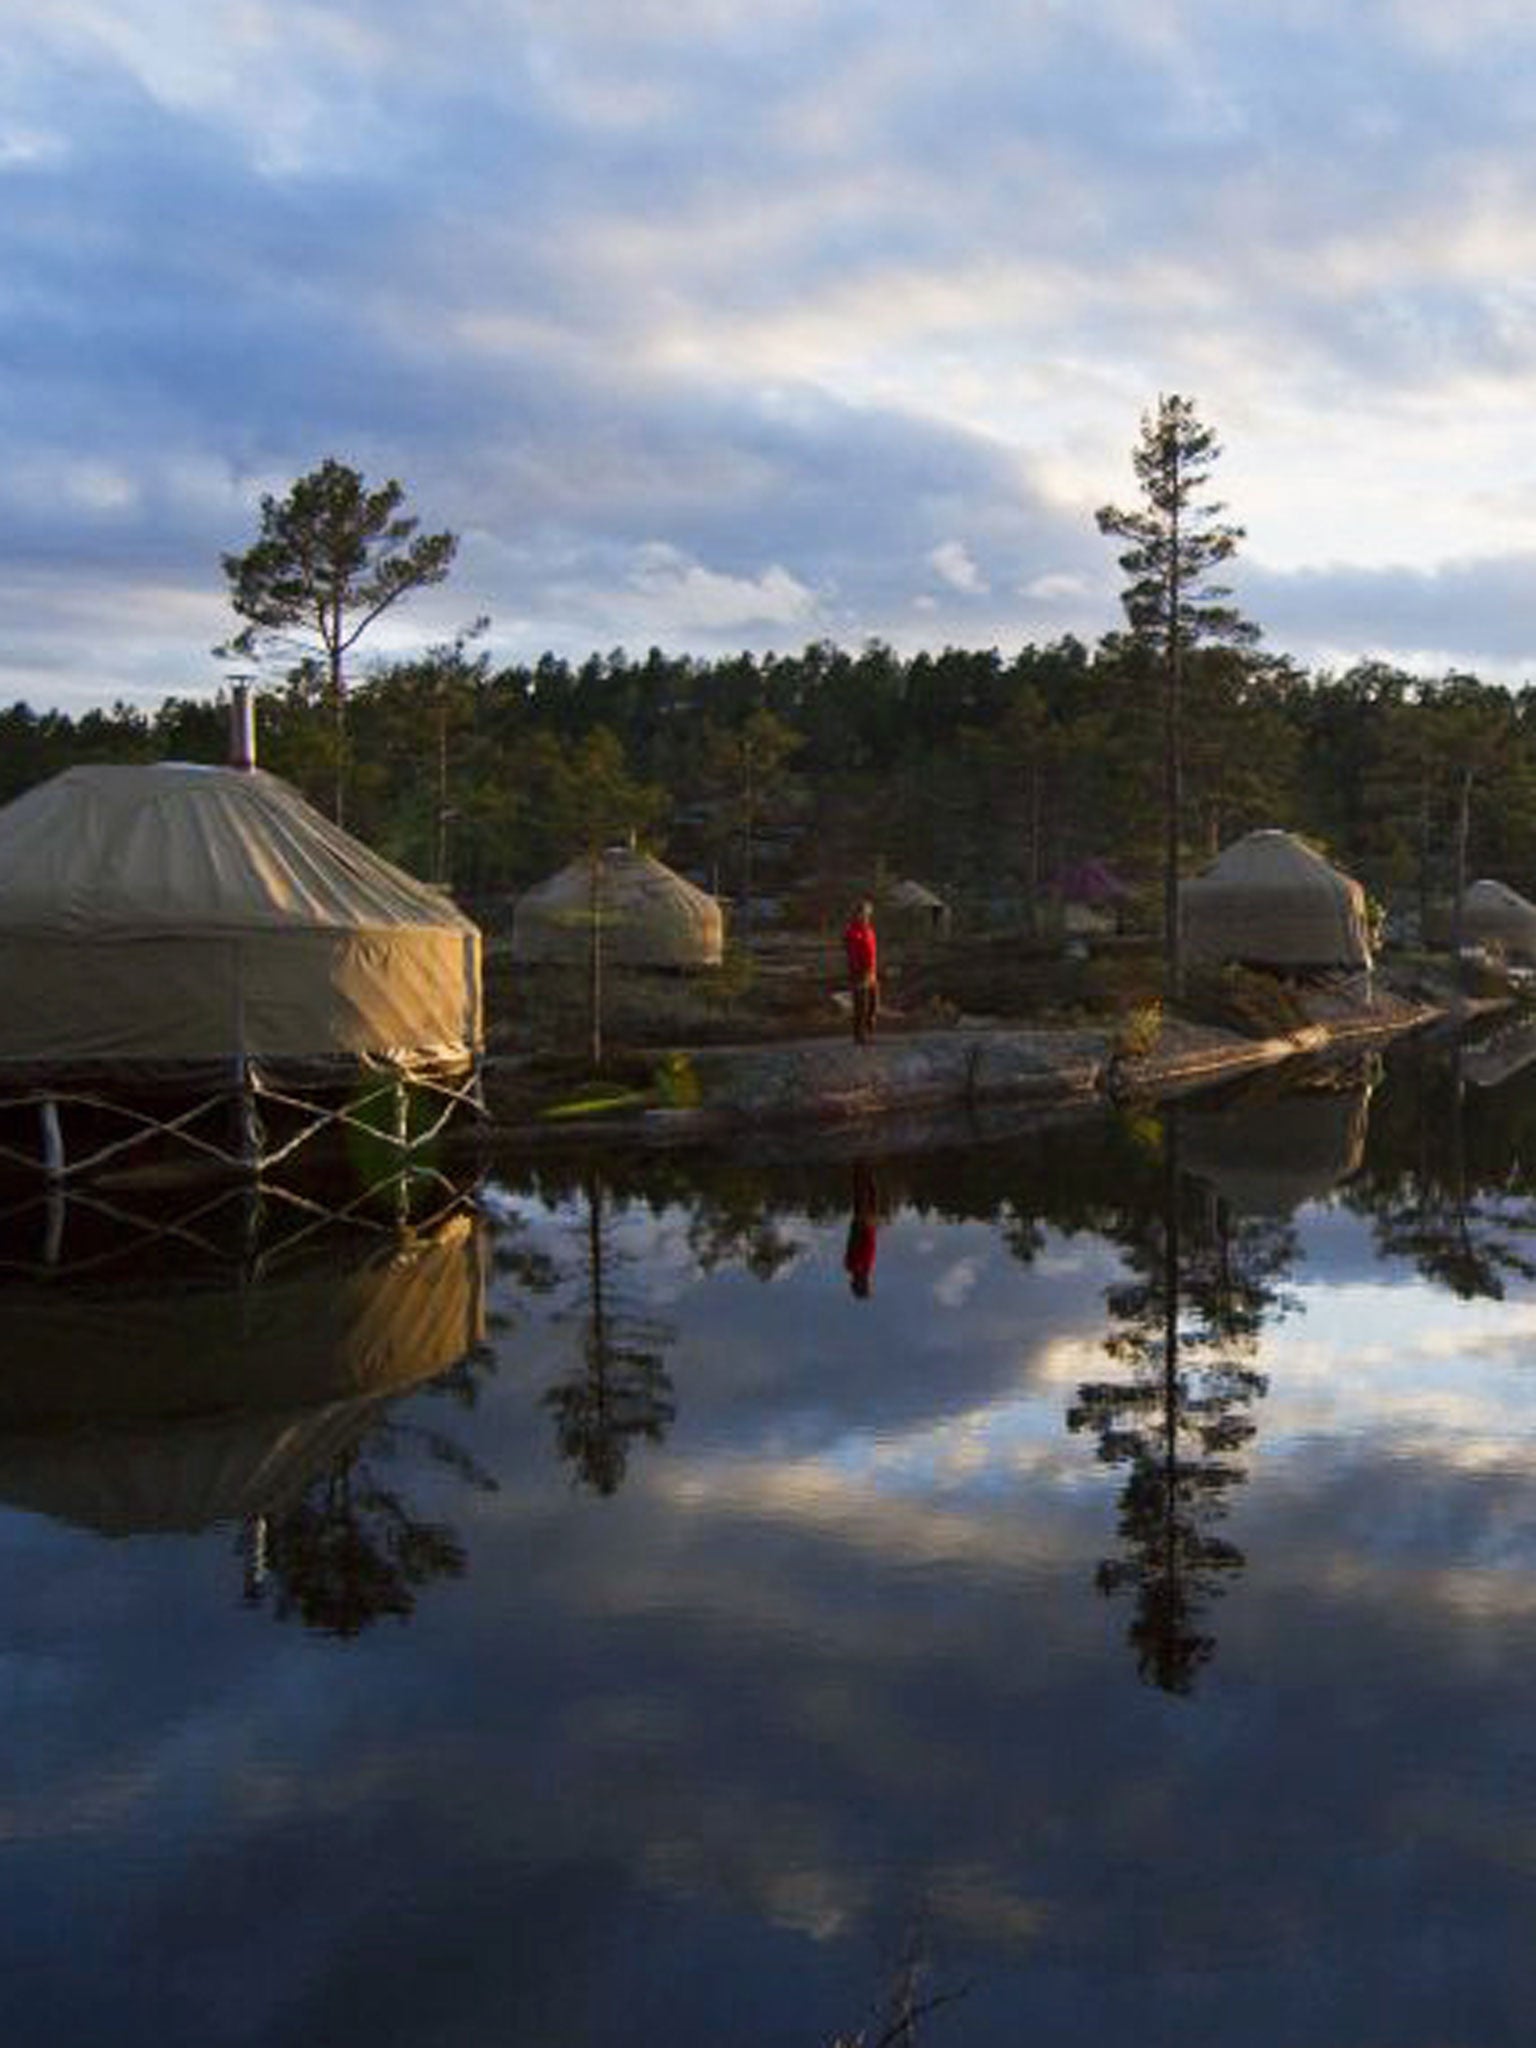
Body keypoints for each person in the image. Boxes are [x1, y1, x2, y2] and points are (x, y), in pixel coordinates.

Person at [843, 898, 879, 1044]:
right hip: (860, 972)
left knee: (873, 1003)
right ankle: (859, 1035)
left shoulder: (869, 930)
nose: (866, 916)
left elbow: (873, 951)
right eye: (863, 913)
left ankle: (869, 1031)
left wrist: (873, 970)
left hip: (871, 970)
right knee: (861, 1005)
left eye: (868, 914)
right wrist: (858, 970)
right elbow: (852, 952)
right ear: (857, 914)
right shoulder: (852, 931)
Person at [843, 1160, 880, 1298]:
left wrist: (858, 1226)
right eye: (867, 1285)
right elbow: (871, 1248)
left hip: (862, 1227)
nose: (868, 1282)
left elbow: (852, 1244)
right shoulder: (866, 1269)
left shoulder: (852, 1267)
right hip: (870, 1228)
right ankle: (867, 1168)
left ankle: (859, 1168)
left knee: (861, 1197)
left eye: (865, 1285)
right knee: (872, 1196)